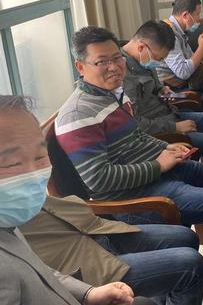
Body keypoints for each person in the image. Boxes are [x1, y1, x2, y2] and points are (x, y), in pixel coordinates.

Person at [55, 26, 203, 305]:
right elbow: (99, 180)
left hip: (157, 172)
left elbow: (137, 137)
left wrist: (164, 148)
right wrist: (158, 165)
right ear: (81, 66)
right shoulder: (78, 115)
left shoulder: (111, 93)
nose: (114, 66)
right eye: (102, 61)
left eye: (116, 58)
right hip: (136, 194)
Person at [0, 95, 155, 305]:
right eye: (11, 164)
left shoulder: (7, 222)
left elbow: (38, 271)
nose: (34, 174)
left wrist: (88, 293)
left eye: (40, 156)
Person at [21, 195, 203, 304]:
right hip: (75, 265)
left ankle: (162, 294)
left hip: (86, 228)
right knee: (190, 265)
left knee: (186, 236)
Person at [122, 20, 203, 162]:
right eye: (159, 58)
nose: (159, 62)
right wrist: (174, 127)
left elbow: (154, 86)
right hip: (161, 132)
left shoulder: (142, 58)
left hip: (171, 113)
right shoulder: (122, 75)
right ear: (141, 47)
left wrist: (161, 89)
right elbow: (135, 123)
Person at [156, 0, 203, 112]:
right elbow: (183, 72)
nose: (199, 19)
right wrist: (202, 48)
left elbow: (191, 59)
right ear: (185, 15)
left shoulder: (178, 31)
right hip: (175, 91)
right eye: (197, 14)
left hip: (188, 84)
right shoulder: (168, 34)